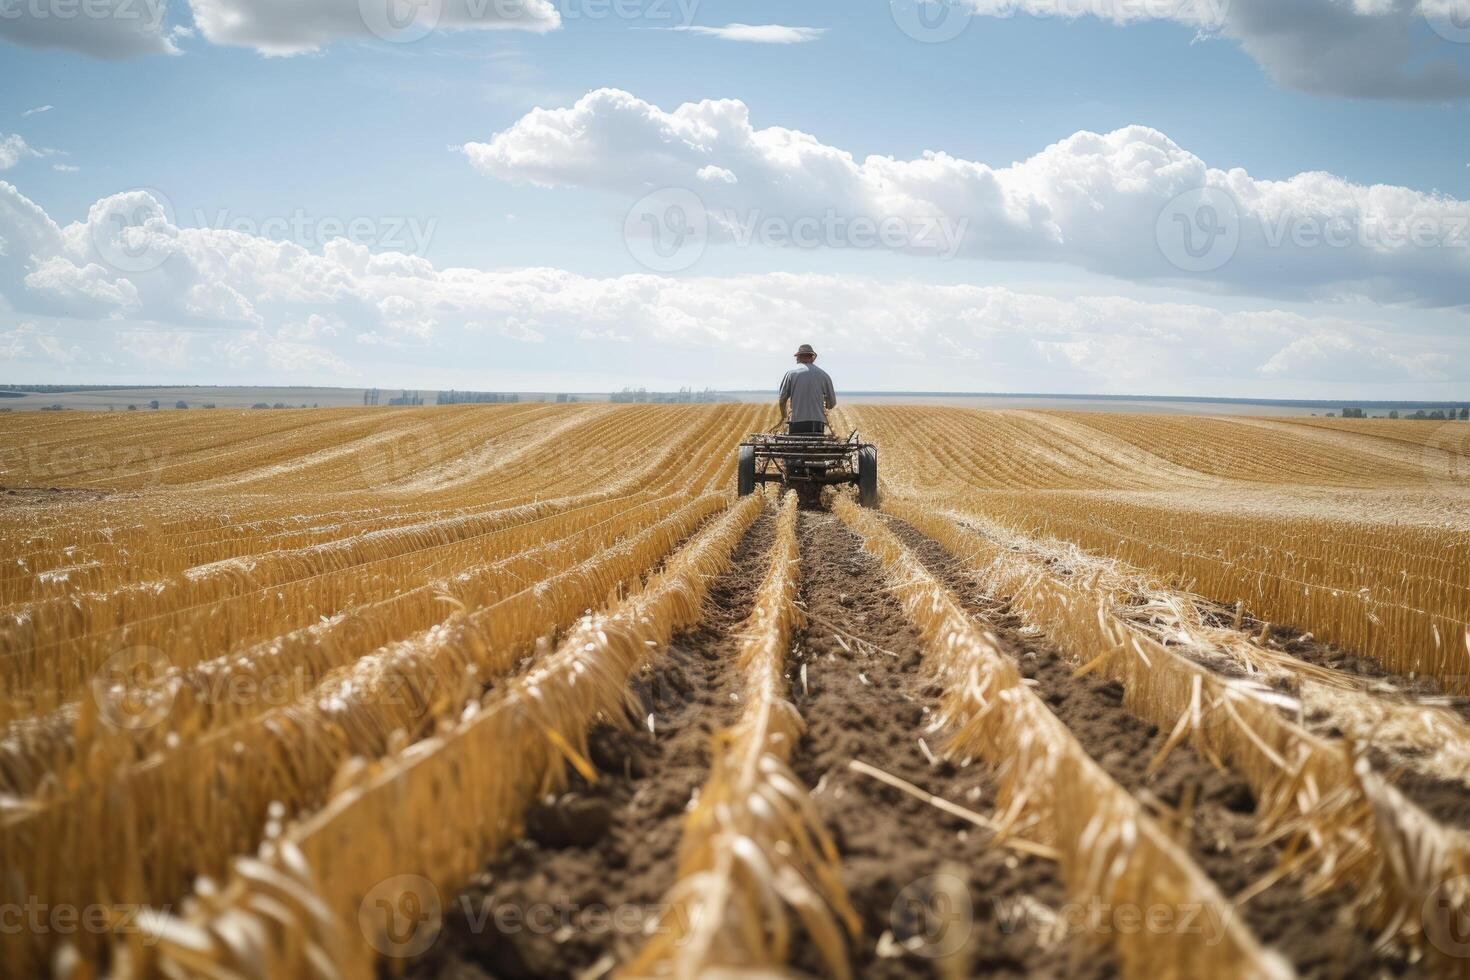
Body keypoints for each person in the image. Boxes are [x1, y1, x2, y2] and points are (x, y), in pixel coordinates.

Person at [778, 343, 836, 435]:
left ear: (798, 357)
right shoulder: (824, 375)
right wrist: (825, 404)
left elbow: (782, 400)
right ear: (812, 357)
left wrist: (784, 417)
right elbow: (832, 403)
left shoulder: (791, 374)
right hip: (817, 423)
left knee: (795, 446)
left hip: (796, 422)